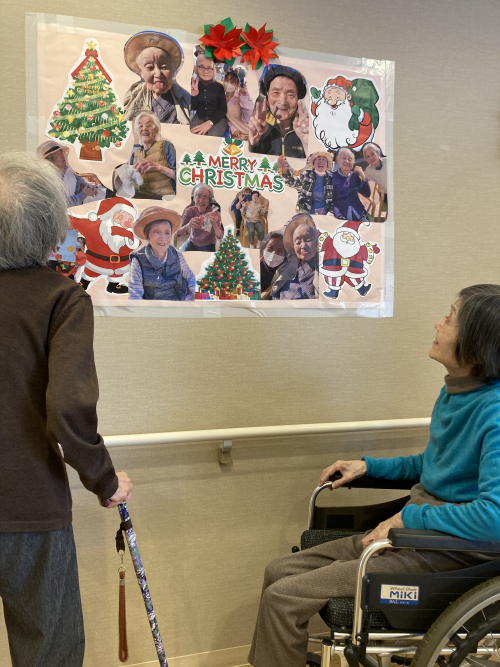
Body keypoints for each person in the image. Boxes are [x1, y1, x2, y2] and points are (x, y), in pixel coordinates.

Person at [249, 284, 500, 667]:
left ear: (477, 345)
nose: (438, 324)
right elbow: (436, 466)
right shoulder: (457, 393)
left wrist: (409, 518)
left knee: (284, 597)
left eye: (450, 319)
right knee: (278, 571)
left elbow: (494, 517)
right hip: (414, 536)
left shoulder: (494, 413)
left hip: (449, 555)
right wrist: (369, 467)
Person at [0, 152, 133, 667]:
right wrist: (105, 480)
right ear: (51, 227)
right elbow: (68, 409)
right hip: (30, 505)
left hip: (28, 505)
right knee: (48, 653)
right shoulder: (62, 298)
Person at [128, 207, 195, 300]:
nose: (163, 237)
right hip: (153, 306)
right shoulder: (138, 260)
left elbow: (190, 277)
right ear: (147, 235)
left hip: (179, 303)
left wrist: (190, 298)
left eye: (167, 232)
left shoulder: (177, 255)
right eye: (157, 231)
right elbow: (135, 294)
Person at [123, 31, 190, 124]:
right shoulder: (132, 97)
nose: (158, 74)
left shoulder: (186, 100)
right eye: (150, 67)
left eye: (164, 67)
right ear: (141, 72)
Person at [248, 65, 309, 158]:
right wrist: (253, 144)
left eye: (290, 94)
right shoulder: (256, 126)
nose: (283, 101)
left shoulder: (307, 129)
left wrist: (307, 145)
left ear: (298, 99)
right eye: (275, 93)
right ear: (267, 95)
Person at [263, 214, 318, 300]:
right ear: (293, 246)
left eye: (308, 240)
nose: (303, 246)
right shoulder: (289, 262)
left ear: (316, 242)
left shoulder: (323, 266)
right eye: (298, 242)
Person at [36, 140, 104, 207]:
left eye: (62, 153)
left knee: (104, 193)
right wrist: (84, 193)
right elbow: (65, 204)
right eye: (57, 156)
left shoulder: (66, 168)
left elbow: (78, 179)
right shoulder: (53, 180)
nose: (62, 157)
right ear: (50, 161)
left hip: (84, 200)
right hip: (74, 210)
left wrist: (88, 187)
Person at [128, 111, 176, 198]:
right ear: (137, 131)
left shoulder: (166, 146)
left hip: (165, 199)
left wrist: (159, 167)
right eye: (140, 126)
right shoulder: (134, 154)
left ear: (156, 130)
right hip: (143, 199)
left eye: (149, 125)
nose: (144, 128)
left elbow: (181, 176)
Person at [190, 55, 228, 137]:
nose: (205, 71)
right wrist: (194, 96)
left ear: (213, 70)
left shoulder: (219, 87)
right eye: (201, 67)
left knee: (212, 136)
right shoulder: (194, 85)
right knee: (192, 134)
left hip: (218, 118)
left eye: (209, 68)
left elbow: (223, 109)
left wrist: (210, 123)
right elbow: (193, 108)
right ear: (197, 69)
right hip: (200, 116)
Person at [178, 184, 223, 252]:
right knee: (181, 256)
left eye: (205, 197)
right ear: (194, 198)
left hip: (209, 244)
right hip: (192, 242)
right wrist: (188, 225)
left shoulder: (214, 213)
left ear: (209, 201)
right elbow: (178, 233)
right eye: (198, 196)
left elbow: (220, 236)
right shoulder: (190, 211)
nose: (201, 201)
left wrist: (214, 224)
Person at [331, 147, 371, 221]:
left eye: (350, 159)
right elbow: (331, 201)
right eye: (344, 158)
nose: (347, 161)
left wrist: (363, 177)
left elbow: (366, 194)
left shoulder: (354, 176)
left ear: (353, 163)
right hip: (342, 216)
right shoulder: (332, 177)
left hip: (360, 213)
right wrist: (338, 215)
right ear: (338, 160)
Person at [224, 71, 253, 139]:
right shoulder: (221, 97)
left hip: (250, 133)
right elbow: (225, 118)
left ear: (237, 86)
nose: (228, 83)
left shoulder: (241, 97)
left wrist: (243, 99)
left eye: (232, 82)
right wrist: (232, 128)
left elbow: (247, 119)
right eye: (227, 80)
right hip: (237, 135)